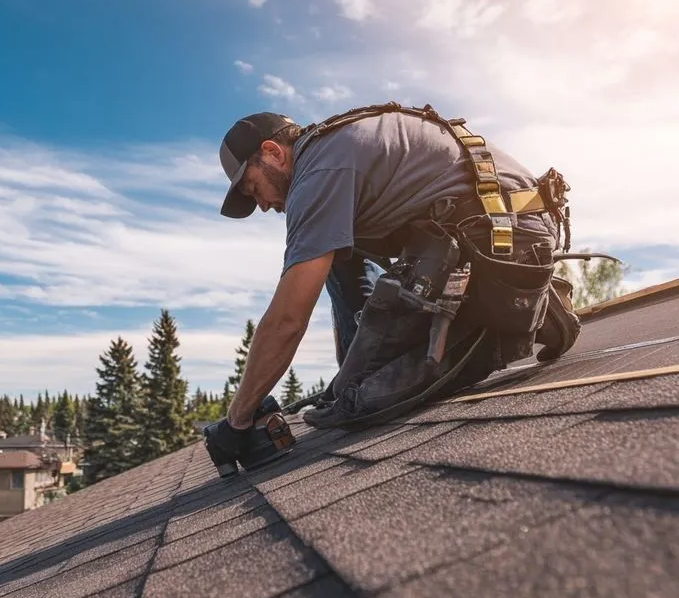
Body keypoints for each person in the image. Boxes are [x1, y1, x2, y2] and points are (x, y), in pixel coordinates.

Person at [205, 101, 579, 464]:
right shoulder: (333, 148)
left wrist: (237, 420)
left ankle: (527, 315)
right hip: (499, 232)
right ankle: (519, 302)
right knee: (337, 266)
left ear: (272, 152)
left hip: (505, 241)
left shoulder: (318, 173)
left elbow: (288, 319)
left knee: (360, 401)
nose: (265, 206)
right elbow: (351, 272)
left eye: (255, 190)